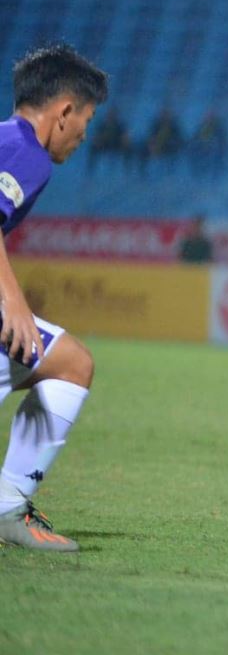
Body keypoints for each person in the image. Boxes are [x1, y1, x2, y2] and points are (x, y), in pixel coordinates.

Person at [0, 44, 108, 551]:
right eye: (86, 118)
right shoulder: (28, 153)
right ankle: (7, 508)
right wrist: (14, 305)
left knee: (68, 360)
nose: (86, 133)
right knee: (72, 364)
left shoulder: (7, 141)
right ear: (64, 111)